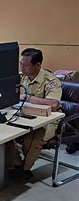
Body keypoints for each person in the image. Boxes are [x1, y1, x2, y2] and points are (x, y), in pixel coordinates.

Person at [5, 48, 62, 179]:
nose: (22, 67)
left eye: (25, 65)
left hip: (48, 120)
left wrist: (29, 98)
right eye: (20, 64)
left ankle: (25, 170)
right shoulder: (21, 77)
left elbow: (54, 104)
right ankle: (16, 164)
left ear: (38, 65)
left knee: (34, 137)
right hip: (24, 115)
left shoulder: (51, 80)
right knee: (5, 135)